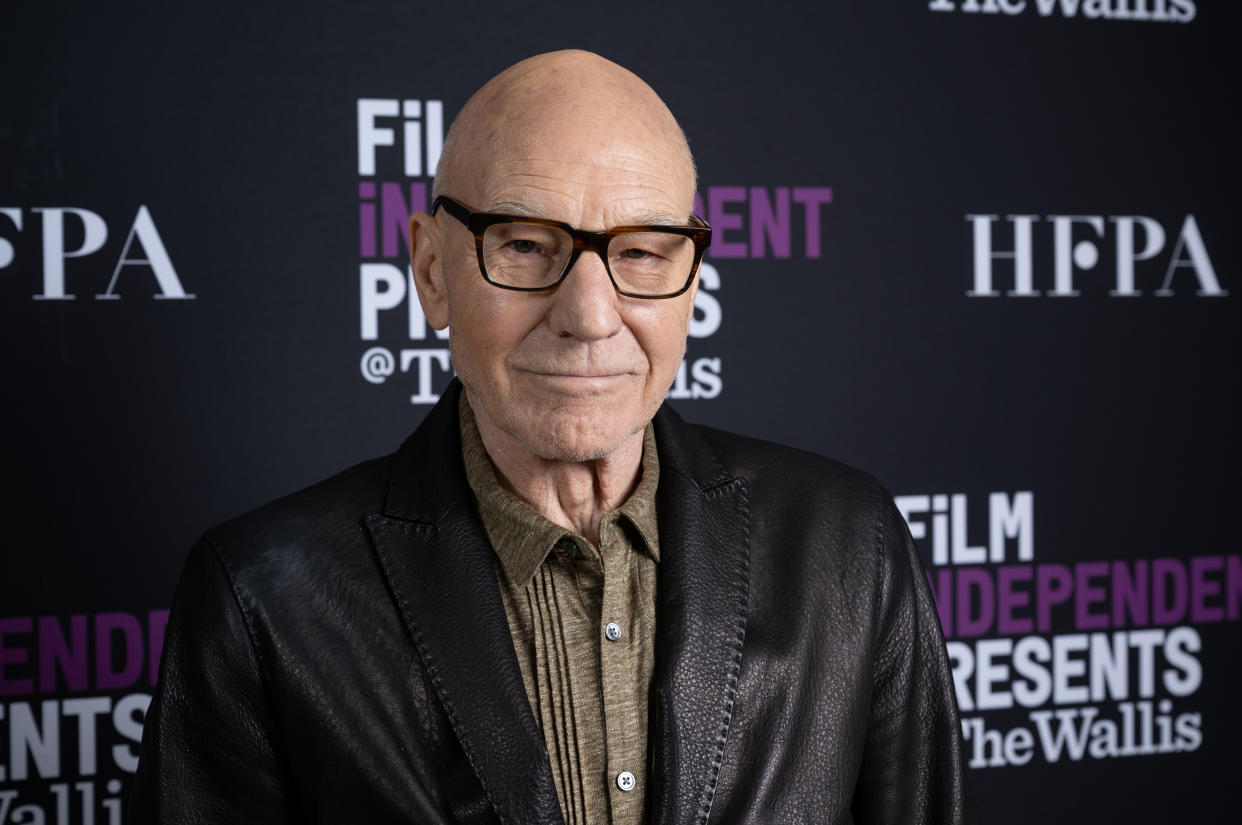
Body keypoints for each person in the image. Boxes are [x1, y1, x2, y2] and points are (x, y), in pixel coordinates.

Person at [131, 50, 975, 825]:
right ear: (431, 273)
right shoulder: (260, 602)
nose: (589, 315)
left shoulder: (849, 545)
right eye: (527, 245)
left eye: (643, 253)